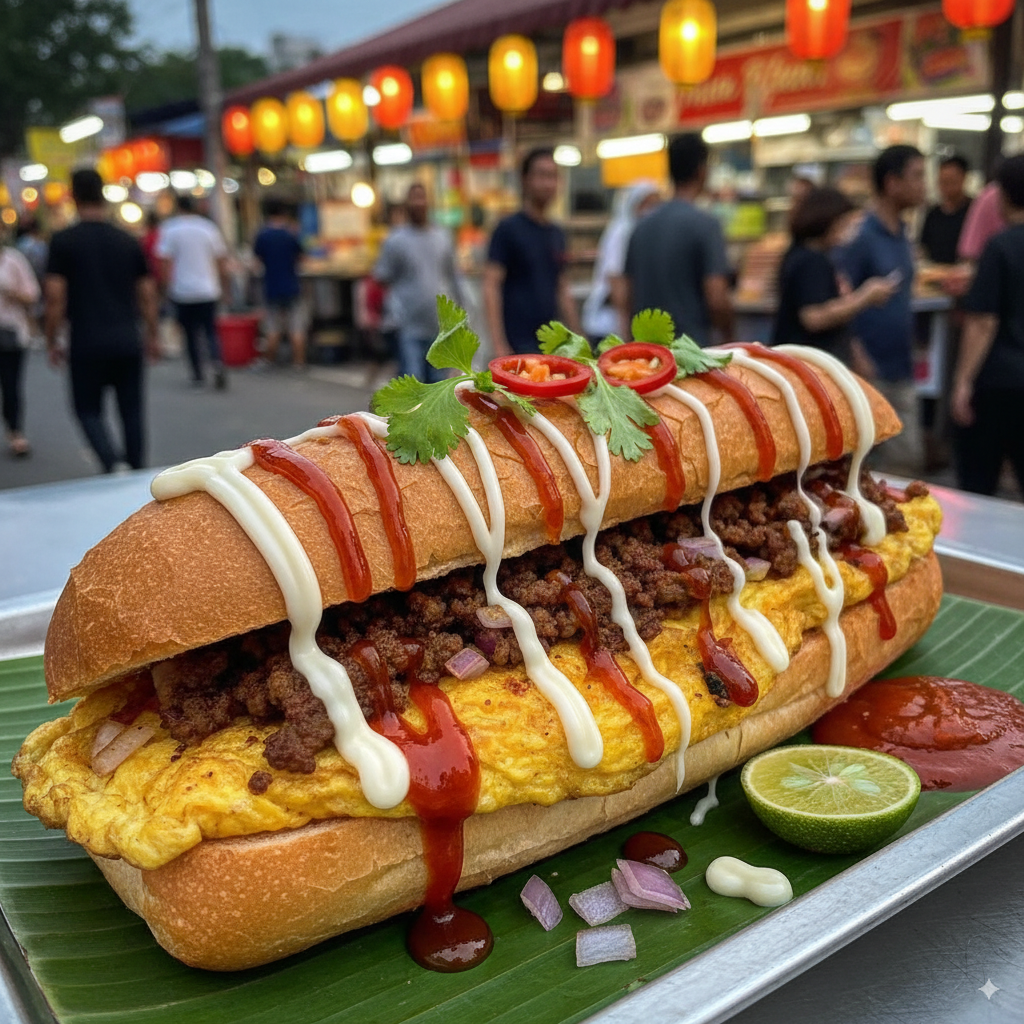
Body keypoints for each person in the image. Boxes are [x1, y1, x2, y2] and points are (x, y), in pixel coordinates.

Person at [44, 168, 159, 473]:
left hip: (86, 340)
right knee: (132, 411)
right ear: (103, 193)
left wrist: (51, 338)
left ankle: (110, 463)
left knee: (87, 409)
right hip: (127, 338)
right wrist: (152, 333)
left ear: (74, 195)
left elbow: (55, 297)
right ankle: (136, 471)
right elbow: (147, 293)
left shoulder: (64, 241)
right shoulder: (126, 240)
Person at [840, 144, 926, 474]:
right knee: (865, 468)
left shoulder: (903, 232)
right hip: (868, 370)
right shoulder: (860, 236)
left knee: (906, 463)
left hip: (901, 366)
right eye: (917, 176)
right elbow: (842, 297)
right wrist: (857, 352)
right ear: (892, 182)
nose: (924, 184)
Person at [950, 153, 1024, 497]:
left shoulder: (1001, 246)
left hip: (1000, 382)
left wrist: (963, 382)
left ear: (1004, 195)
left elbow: (982, 322)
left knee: (978, 485)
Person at [619, 133, 734, 346]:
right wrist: (729, 337)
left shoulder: (641, 227)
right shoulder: (706, 225)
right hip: (691, 354)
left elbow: (625, 294)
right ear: (702, 171)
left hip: (646, 354)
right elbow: (717, 297)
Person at [771, 186, 897, 364]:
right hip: (809, 365)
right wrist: (865, 297)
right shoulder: (811, 260)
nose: (849, 232)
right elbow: (814, 317)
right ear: (828, 220)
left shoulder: (801, 254)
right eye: (845, 224)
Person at [484, 148, 581, 356]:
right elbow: (491, 286)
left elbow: (562, 287)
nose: (549, 184)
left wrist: (578, 338)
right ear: (525, 179)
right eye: (542, 175)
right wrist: (499, 344)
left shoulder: (556, 233)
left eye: (553, 177)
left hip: (551, 345)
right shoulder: (507, 229)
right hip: (517, 345)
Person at [373, 182, 462, 381]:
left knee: (438, 389)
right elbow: (381, 278)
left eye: (422, 197)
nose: (418, 203)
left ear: (429, 203)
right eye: (414, 198)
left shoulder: (443, 238)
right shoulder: (395, 241)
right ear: (406, 204)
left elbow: (454, 278)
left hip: (439, 328)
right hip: (407, 327)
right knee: (413, 387)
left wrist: (461, 316)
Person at [156, 194, 229, 388]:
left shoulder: (170, 228)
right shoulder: (208, 228)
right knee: (210, 331)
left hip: (182, 291)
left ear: (178, 207)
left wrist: (164, 288)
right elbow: (221, 260)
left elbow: (165, 262)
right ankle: (217, 363)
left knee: (190, 334)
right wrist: (224, 286)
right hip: (208, 289)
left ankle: (198, 374)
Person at [581, 181, 661, 341]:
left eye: (657, 204)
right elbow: (616, 281)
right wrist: (625, 334)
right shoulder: (623, 232)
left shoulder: (642, 234)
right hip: (608, 327)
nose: (652, 210)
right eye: (648, 203)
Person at [0, 230, 41, 457]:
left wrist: (10, 292)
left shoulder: (13, 260)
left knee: (10, 385)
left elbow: (32, 294)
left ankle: (15, 431)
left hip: (10, 333)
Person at [253, 199, 306, 368]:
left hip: (272, 286)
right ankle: (298, 362)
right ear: (284, 214)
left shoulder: (262, 236)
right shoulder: (291, 234)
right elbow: (301, 257)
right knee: (296, 326)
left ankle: (269, 360)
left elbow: (257, 261)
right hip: (292, 285)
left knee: (272, 326)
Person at [920, 154, 972, 265]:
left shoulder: (974, 210)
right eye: (942, 182)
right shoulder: (933, 213)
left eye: (951, 181)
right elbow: (924, 247)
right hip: (935, 273)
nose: (946, 187)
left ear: (963, 179)